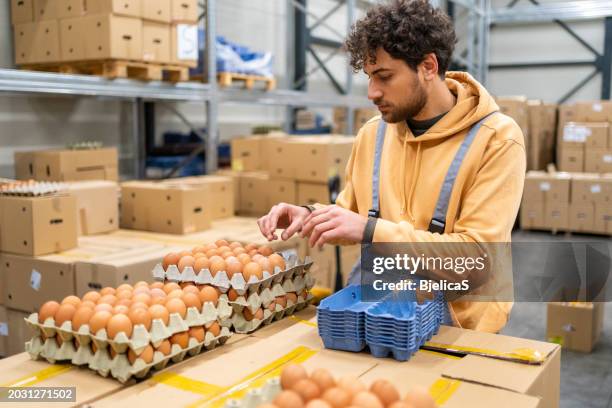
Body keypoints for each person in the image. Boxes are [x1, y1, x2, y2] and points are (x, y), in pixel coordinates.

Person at [257, 0, 525, 333]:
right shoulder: (373, 134)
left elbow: (475, 260)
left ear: (428, 67)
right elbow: (350, 213)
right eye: (369, 77)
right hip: (380, 311)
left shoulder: (496, 139)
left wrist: (370, 231)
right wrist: (308, 215)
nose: (372, 92)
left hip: (457, 326)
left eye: (384, 77)